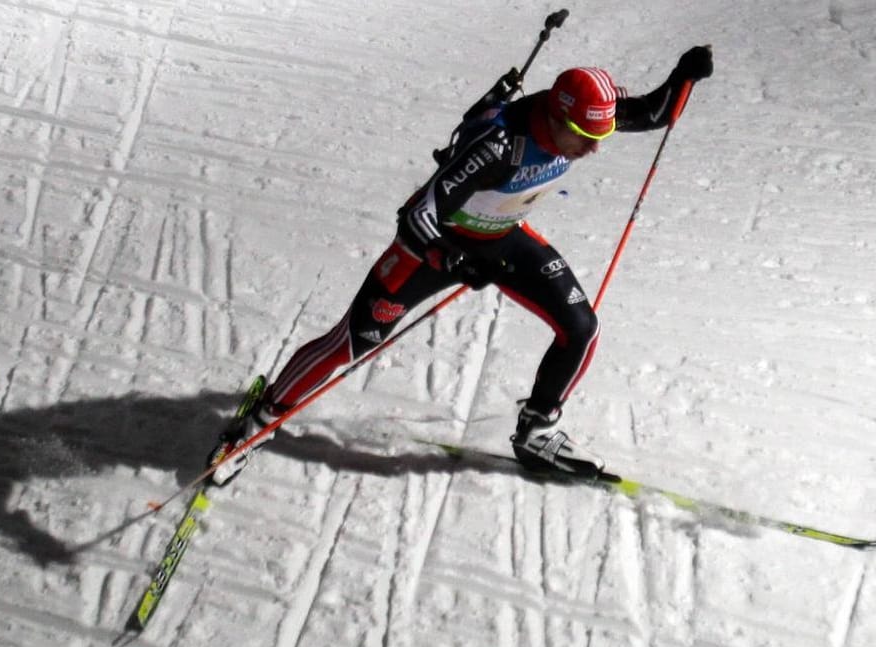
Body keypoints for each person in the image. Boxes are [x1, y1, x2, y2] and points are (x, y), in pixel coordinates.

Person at [211, 46, 714, 486]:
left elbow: (651, 114)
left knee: (581, 326)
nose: (594, 147)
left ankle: (538, 430)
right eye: (585, 135)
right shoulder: (499, 144)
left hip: (500, 238)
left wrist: (685, 76)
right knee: (354, 340)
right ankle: (258, 422)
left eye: (601, 134)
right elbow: (417, 215)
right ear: (559, 119)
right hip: (430, 248)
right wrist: (450, 259)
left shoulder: (583, 118)